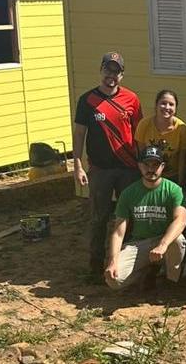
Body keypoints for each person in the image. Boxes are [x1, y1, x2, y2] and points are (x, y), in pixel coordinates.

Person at [72, 51, 143, 280]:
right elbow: (80, 133)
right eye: (107, 69)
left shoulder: (131, 99)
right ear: (100, 70)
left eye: (116, 71)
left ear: (121, 75)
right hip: (100, 169)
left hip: (128, 168)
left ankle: (126, 263)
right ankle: (95, 264)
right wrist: (77, 165)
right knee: (99, 217)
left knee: (127, 217)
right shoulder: (87, 100)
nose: (110, 75)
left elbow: (139, 133)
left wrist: (142, 166)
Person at [105, 145, 186, 291]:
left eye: (155, 165)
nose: (151, 169)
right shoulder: (128, 193)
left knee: (178, 239)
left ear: (162, 166)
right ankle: (146, 272)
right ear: (139, 166)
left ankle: (171, 282)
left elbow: (180, 220)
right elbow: (118, 232)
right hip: (139, 244)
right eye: (146, 164)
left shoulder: (174, 190)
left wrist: (163, 245)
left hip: (164, 241)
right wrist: (113, 261)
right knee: (113, 280)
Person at [135, 90, 186, 185]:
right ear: (156, 105)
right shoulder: (144, 124)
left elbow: (182, 160)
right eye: (163, 103)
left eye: (171, 104)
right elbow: (141, 155)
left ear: (176, 108)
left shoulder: (182, 128)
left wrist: (180, 183)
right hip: (150, 174)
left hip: (173, 176)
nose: (167, 107)